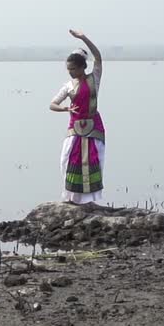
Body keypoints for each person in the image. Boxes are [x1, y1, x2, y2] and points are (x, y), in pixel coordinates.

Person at [49, 29, 106, 205]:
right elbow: (52, 104)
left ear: (82, 67)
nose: (70, 72)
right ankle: (72, 198)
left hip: (93, 127)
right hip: (75, 127)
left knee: (93, 160)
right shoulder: (68, 86)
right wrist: (66, 108)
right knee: (68, 159)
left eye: (73, 69)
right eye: (68, 69)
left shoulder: (94, 79)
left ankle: (89, 200)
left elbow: (98, 57)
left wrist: (83, 38)